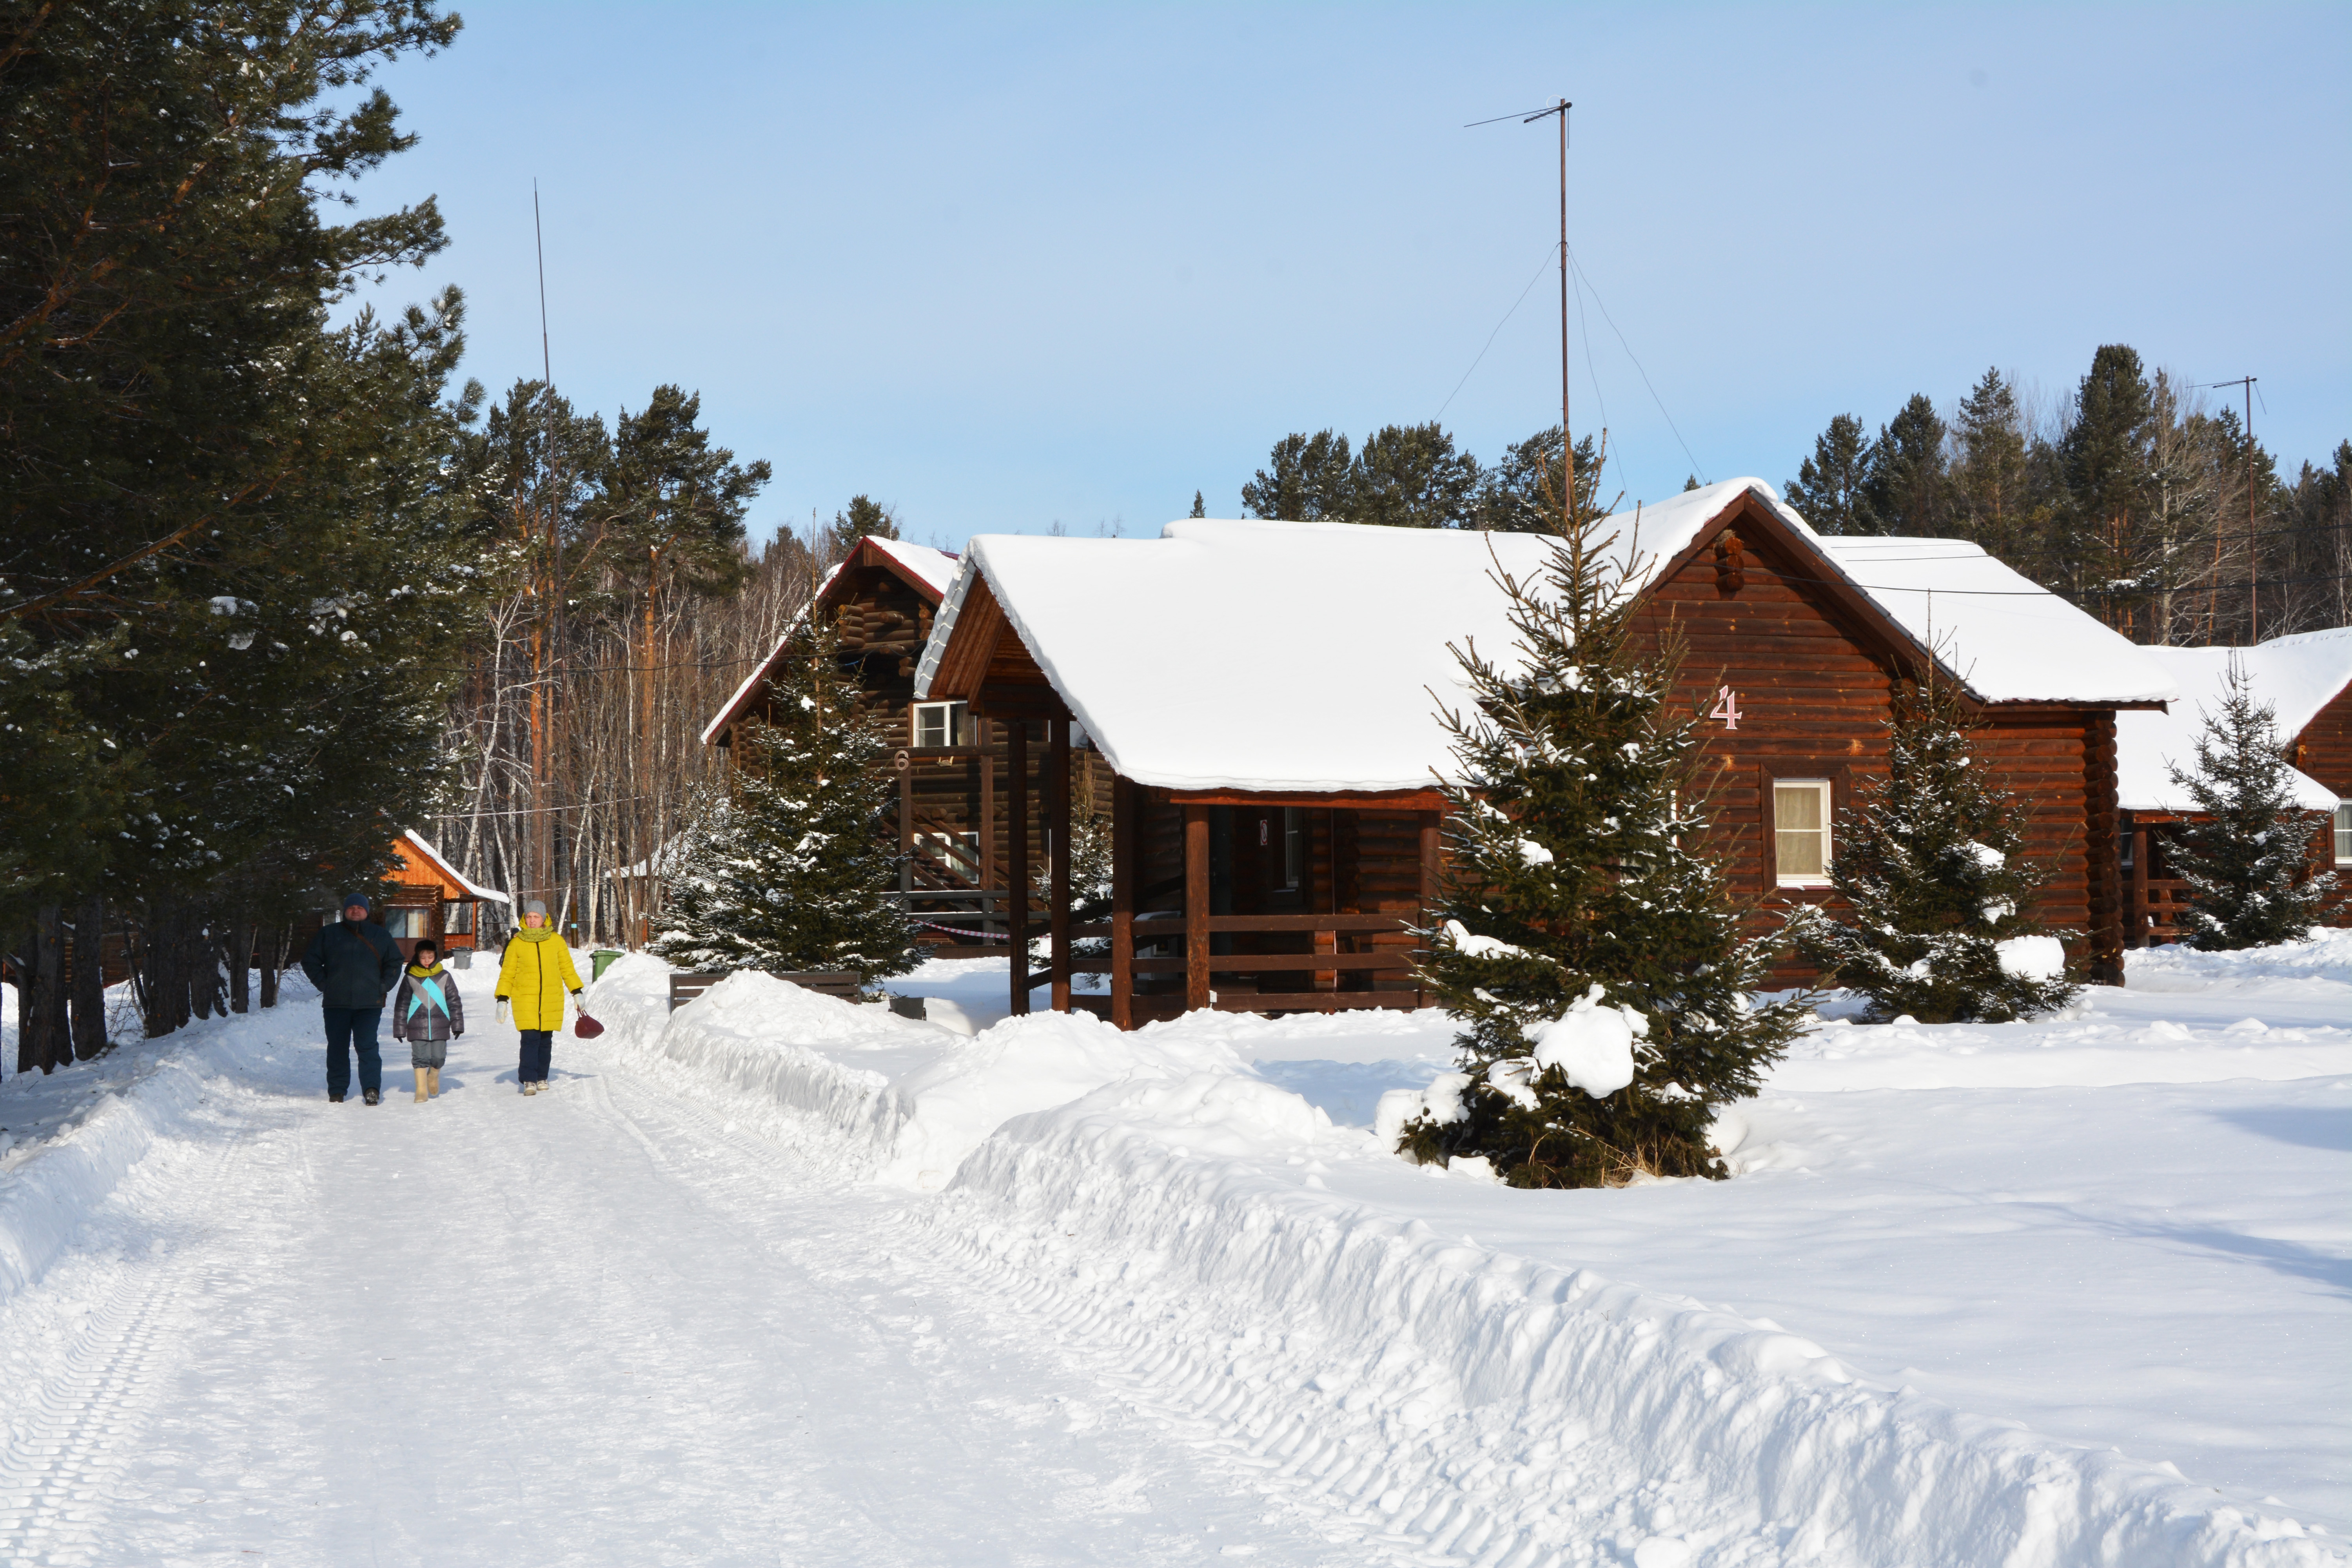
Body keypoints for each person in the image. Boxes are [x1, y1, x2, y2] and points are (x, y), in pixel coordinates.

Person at [300, 893, 405, 1105]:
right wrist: (325, 985)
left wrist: (383, 986)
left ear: (366, 911)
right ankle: (337, 1090)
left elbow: (395, 962)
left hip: (369, 1004)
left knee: (367, 1047)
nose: (356, 911)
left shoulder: (380, 935)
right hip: (336, 1004)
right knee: (337, 1047)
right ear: (345, 911)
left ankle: (372, 1088)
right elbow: (310, 961)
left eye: (360, 908)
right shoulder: (328, 934)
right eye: (351, 908)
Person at [495, 900, 582, 1096]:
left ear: (544, 919)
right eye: (529, 917)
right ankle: (529, 1079)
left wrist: (577, 991)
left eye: (536, 917)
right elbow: (507, 973)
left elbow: (567, 969)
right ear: (524, 919)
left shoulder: (556, 941)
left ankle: (542, 1076)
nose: (532, 920)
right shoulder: (517, 943)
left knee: (545, 1040)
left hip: (551, 997)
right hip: (525, 998)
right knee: (530, 1038)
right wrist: (502, 999)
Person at [390, 937, 465, 1103]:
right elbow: (402, 1004)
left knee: (439, 1058)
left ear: (436, 957)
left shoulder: (445, 976)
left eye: (430, 957)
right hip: (416, 1025)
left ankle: (433, 1076)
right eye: (423, 958)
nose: (426, 961)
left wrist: (457, 1024)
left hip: (441, 1024)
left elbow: (454, 1002)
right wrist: (400, 1029)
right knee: (420, 1058)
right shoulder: (411, 977)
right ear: (418, 957)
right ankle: (421, 1090)